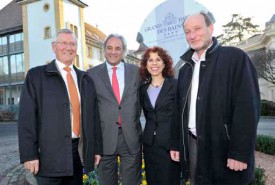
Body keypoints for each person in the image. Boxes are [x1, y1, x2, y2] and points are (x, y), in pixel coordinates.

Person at [170, 11, 260, 185]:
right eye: (187, 31)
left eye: (197, 28)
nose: (192, 35)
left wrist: (239, 153)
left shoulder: (235, 58)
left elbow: (248, 108)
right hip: (193, 145)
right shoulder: (185, 69)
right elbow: (178, 111)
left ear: (210, 28)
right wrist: (177, 144)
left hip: (224, 148)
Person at [18, 29, 102, 185]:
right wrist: (29, 155)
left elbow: (93, 117)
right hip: (49, 156)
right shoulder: (36, 77)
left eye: (72, 44)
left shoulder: (85, 79)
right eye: (63, 43)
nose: (68, 48)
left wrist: (96, 149)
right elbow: (26, 119)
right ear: (54, 47)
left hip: (77, 155)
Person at [87, 33, 142, 185]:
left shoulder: (136, 72)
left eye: (118, 48)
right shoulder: (91, 74)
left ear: (124, 51)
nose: (113, 52)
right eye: (109, 48)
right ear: (104, 50)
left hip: (131, 137)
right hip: (105, 139)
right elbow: (89, 110)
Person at [139, 46, 180, 185]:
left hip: (170, 145)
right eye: (150, 60)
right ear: (146, 64)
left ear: (164, 63)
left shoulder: (175, 85)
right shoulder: (142, 89)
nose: (154, 63)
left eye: (158, 59)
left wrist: (177, 145)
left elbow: (180, 116)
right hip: (150, 144)